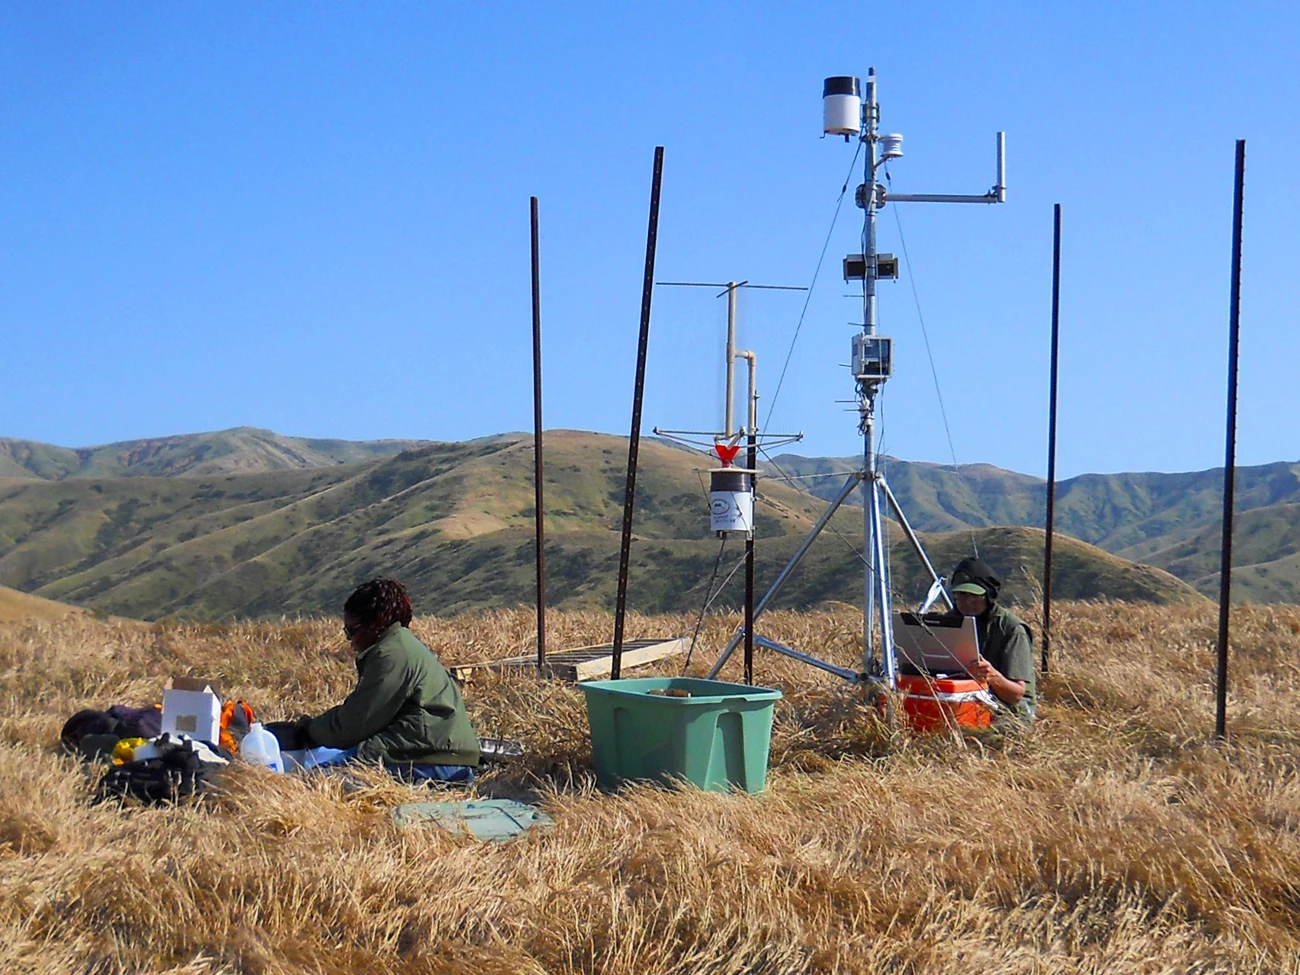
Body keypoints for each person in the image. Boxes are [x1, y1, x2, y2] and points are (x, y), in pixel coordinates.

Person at [299, 577, 480, 782]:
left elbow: (355, 724)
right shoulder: (399, 644)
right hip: (437, 753)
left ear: (373, 624)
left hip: (433, 761)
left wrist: (309, 730)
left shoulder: (392, 654)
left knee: (313, 780)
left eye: (351, 630)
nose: (349, 640)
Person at [947, 557, 1037, 725]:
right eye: (960, 596)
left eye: (974, 597)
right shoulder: (950, 622)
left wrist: (992, 676)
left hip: (1010, 710)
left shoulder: (1012, 629)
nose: (967, 603)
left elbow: (1016, 695)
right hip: (965, 699)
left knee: (983, 734)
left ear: (988, 596)